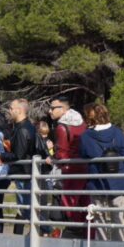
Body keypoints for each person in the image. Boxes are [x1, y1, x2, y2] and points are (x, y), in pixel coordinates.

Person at [0, 98, 52, 236]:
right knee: (28, 208)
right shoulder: (28, 126)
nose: (8, 111)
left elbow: (18, 154)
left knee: (26, 208)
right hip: (27, 172)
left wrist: (2, 157)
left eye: (10, 108)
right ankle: (43, 232)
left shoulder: (22, 129)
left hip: (25, 174)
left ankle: (49, 230)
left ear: (18, 110)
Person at [79, 103, 124, 242]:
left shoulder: (85, 136)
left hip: (97, 182)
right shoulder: (117, 132)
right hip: (118, 179)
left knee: (99, 217)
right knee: (118, 217)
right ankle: (119, 246)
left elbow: (82, 154)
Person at [47, 96, 89, 227]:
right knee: (84, 203)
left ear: (63, 109)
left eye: (53, 108)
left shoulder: (61, 127)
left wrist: (52, 158)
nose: (50, 111)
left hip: (70, 170)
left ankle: (74, 229)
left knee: (68, 202)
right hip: (85, 167)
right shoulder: (81, 123)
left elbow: (62, 153)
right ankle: (87, 233)